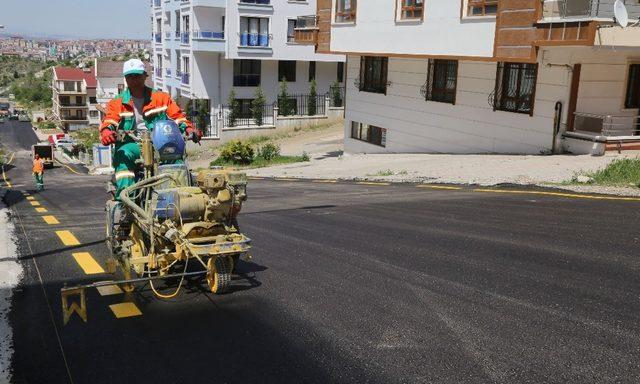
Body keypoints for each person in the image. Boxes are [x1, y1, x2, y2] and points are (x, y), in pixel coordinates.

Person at [99, 59, 202, 200]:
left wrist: (189, 129)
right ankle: (126, 202)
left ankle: (180, 199)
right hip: (132, 144)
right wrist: (106, 132)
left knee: (177, 161)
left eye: (137, 75)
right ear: (125, 79)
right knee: (123, 157)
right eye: (130, 76)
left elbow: (178, 117)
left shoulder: (161, 98)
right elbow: (110, 119)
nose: (134, 80)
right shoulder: (117, 102)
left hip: (159, 143)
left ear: (145, 76)